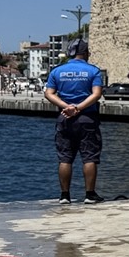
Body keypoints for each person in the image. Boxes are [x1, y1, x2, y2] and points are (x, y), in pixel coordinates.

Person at [44, 38, 104, 204]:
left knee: (65, 158)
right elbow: (96, 94)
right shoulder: (93, 71)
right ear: (85, 53)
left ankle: (64, 195)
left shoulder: (57, 71)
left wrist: (66, 107)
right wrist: (78, 108)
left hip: (64, 117)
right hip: (87, 118)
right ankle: (90, 194)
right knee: (89, 157)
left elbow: (48, 93)